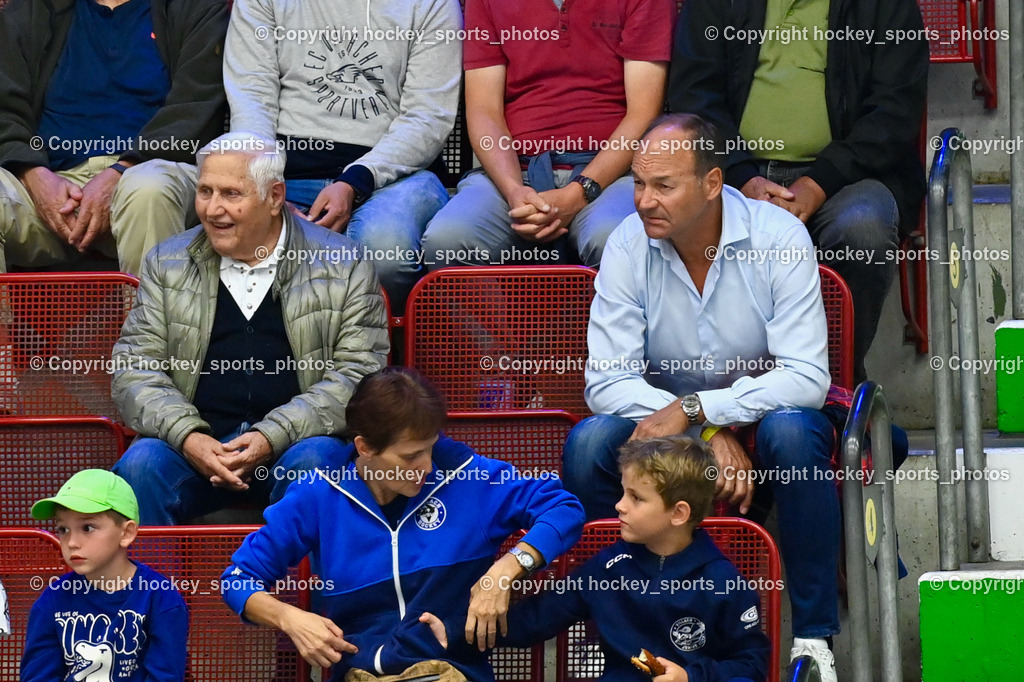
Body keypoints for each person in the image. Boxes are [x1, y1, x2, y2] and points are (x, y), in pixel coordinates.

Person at [562, 114, 909, 682]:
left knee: (795, 432)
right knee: (588, 442)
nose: (645, 201)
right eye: (639, 185)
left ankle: (813, 638)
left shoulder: (778, 237)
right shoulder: (627, 244)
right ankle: (617, 619)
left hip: (768, 412)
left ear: (711, 183)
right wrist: (702, 429)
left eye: (663, 186)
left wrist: (702, 410)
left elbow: (804, 378)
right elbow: (605, 382)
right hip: (670, 423)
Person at [220, 367, 585, 681]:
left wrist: (507, 569)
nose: (427, 466)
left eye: (430, 447)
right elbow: (237, 579)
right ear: (364, 447)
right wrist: (289, 618)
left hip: (450, 671)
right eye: (410, 456)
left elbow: (564, 508)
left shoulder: (470, 479)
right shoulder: (318, 496)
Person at [111, 132, 389, 525]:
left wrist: (270, 436)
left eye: (230, 194)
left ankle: (305, 588)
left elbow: (361, 374)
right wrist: (189, 437)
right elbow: (134, 369)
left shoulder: (343, 263)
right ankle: (157, 588)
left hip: (293, 445)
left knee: (319, 463)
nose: (212, 209)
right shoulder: (166, 261)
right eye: (205, 191)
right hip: (193, 447)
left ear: (275, 197)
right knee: (141, 466)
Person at [668, 0, 929, 382]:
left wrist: (821, 180)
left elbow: (895, 109)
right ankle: (720, 391)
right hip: (732, 173)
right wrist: (741, 176)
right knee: (676, 221)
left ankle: (834, 381)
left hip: (847, 178)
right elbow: (694, 95)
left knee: (864, 230)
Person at [428, 436, 770, 682]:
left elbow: (750, 666)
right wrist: (455, 630)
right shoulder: (608, 568)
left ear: (678, 514)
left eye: (636, 498)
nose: (619, 505)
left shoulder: (723, 582)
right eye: (623, 492)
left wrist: (692, 677)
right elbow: (536, 618)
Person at [223, 0, 461, 311]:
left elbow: (427, 116)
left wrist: (354, 181)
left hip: (396, 173)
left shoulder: (432, 4)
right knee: (240, 240)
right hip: (284, 173)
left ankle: (382, 354)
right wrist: (266, 184)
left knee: (385, 250)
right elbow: (252, 98)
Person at [420, 0, 675, 268]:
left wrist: (578, 193)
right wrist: (514, 191)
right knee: (447, 241)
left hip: (614, 174)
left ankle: (595, 312)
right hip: (516, 169)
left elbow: (643, 113)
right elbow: (484, 110)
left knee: (613, 238)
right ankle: (502, 313)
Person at [0, 0, 228, 275]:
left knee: (147, 189)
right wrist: (34, 175)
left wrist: (121, 171)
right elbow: (6, 113)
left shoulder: (193, 9)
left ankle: (150, 319)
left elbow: (196, 106)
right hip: (53, 183)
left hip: (153, 170)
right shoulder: (32, 11)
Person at [21, 469, 188, 681]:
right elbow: (38, 675)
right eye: (63, 529)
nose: (72, 542)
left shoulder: (161, 598)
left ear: (126, 533)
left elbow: (165, 676)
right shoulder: (52, 599)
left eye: (87, 527)